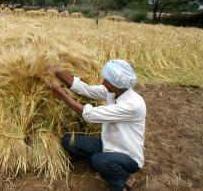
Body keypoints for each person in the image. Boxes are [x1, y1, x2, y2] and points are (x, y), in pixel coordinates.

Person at [45, 60, 146, 191]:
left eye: (107, 81)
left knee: (98, 160)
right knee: (68, 141)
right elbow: (85, 89)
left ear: (118, 85)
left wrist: (59, 91)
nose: (103, 83)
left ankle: (122, 181)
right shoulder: (114, 92)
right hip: (108, 145)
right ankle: (107, 167)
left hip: (128, 157)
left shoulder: (133, 105)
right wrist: (58, 72)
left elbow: (90, 114)